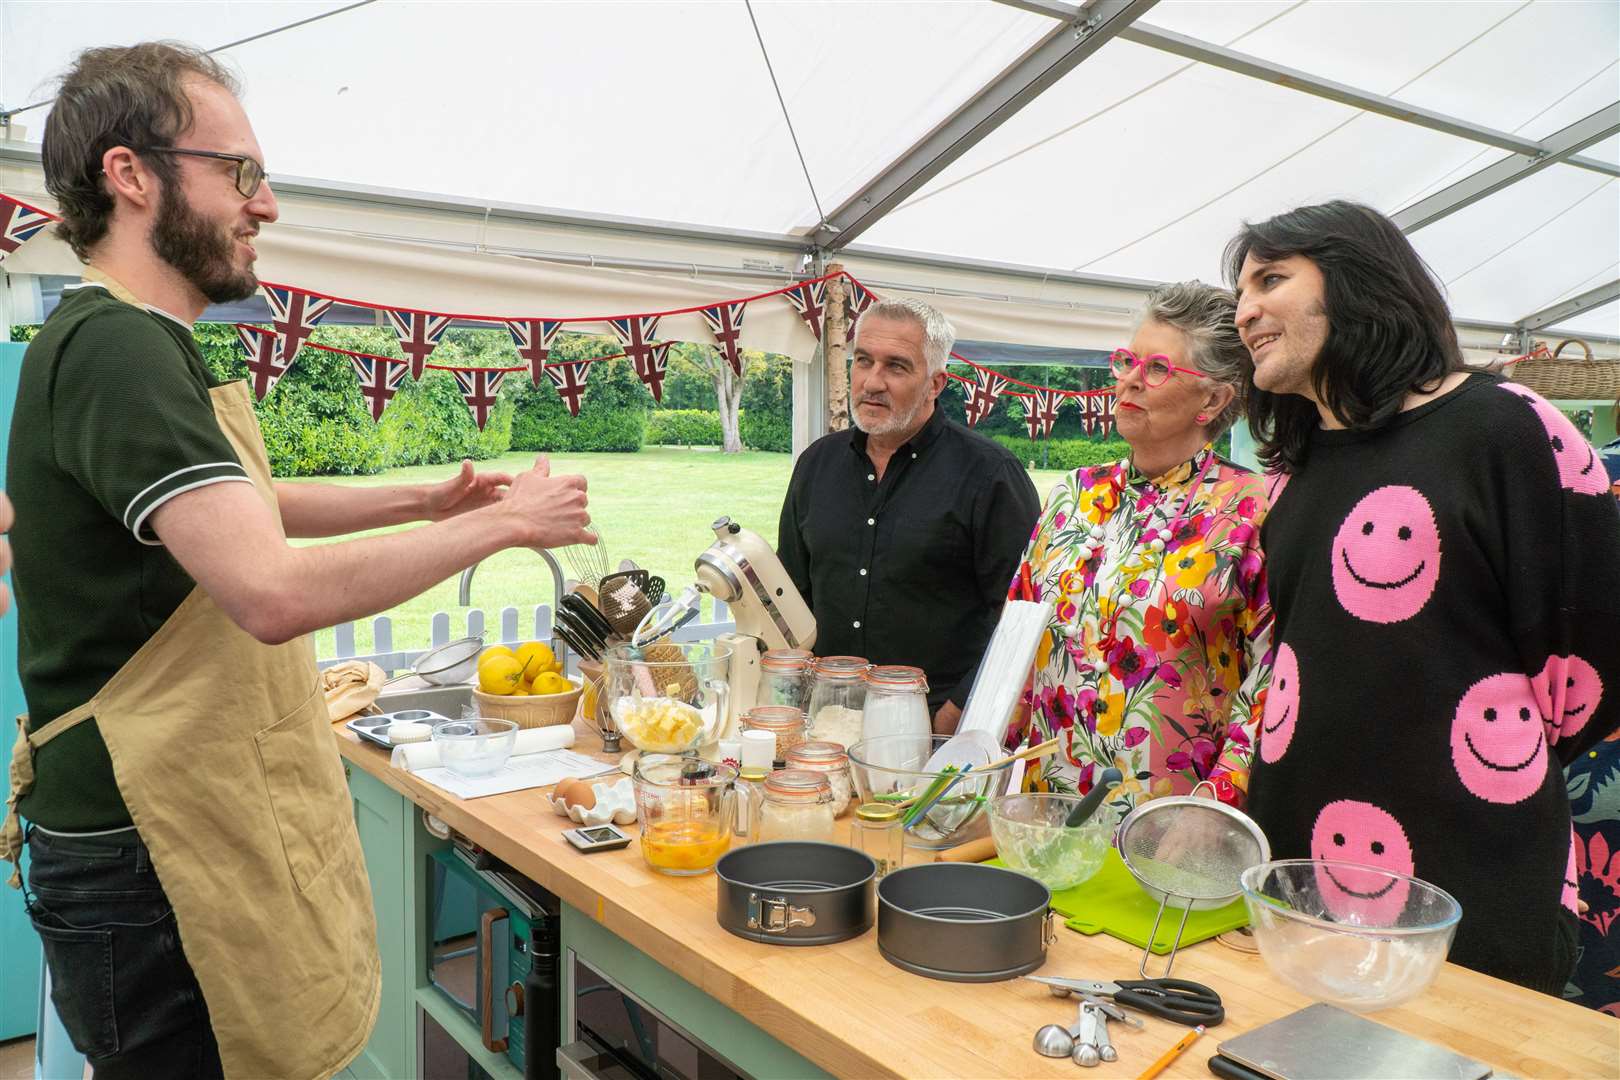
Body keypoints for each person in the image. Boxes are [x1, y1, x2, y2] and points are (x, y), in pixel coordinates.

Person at [0, 44, 592, 1078]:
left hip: (148, 832)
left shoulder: (134, 339)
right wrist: (502, 526)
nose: (263, 205)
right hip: (151, 843)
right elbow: (267, 588)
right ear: (130, 173)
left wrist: (427, 496)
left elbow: (238, 510)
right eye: (239, 172)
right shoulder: (119, 348)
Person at [1228, 200, 1620, 996]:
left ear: (1358, 282)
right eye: (1241, 291)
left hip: (1471, 858)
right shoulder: (1299, 465)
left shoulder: (1504, 427)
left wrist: (1482, 762)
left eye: (1271, 279)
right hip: (1300, 857)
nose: (1244, 312)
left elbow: (1594, 657)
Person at [1010, 282, 1271, 810]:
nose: (1129, 381)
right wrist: (985, 759)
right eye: (1128, 361)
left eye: (1156, 369)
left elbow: (1271, 683)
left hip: (1172, 819)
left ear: (1214, 399)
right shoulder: (1074, 493)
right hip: (1045, 807)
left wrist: (1213, 805)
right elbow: (1015, 637)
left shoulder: (1253, 509)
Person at [776, 297, 1040, 734]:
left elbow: (1019, 616)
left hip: (936, 726)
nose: (872, 382)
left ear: (936, 383)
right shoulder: (816, 464)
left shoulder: (990, 476)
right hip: (826, 721)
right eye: (863, 361)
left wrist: (957, 711)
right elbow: (792, 593)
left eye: (896, 367)